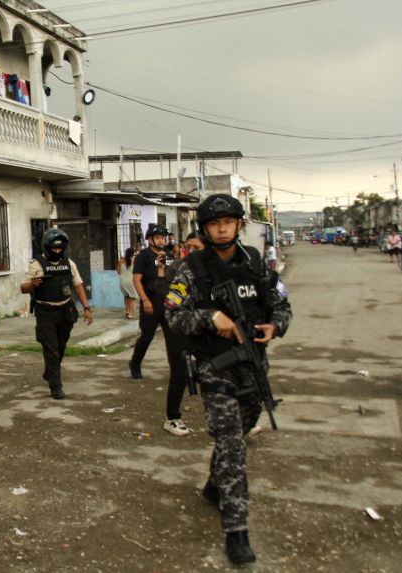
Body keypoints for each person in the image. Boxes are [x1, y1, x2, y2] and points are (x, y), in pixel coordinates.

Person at [164, 194, 291, 564]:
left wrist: (274, 326)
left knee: (243, 427)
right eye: (214, 223)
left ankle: (214, 486)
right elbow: (173, 314)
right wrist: (209, 318)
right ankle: (236, 529)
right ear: (204, 228)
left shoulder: (256, 264)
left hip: (252, 366)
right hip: (213, 368)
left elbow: (282, 303)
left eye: (228, 222)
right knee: (233, 443)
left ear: (238, 225)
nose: (221, 229)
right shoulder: (190, 268)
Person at [20, 228, 93, 400]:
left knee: (60, 346)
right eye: (54, 248)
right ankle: (56, 386)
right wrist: (33, 284)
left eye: (60, 249)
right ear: (47, 247)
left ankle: (50, 372)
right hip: (45, 312)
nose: (57, 251)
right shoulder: (36, 264)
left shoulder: (69, 263)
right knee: (51, 348)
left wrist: (87, 308)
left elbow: (78, 286)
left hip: (65, 310)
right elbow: (23, 287)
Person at [156, 231, 205, 436]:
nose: (191, 251)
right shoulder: (178, 267)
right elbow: (166, 298)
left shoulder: (213, 269)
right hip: (178, 326)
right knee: (180, 371)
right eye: (189, 247)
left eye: (197, 248)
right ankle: (172, 417)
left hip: (205, 326)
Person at [128, 223, 172, 379]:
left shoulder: (168, 255)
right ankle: (135, 363)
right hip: (151, 301)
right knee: (147, 336)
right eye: (158, 237)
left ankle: (175, 369)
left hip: (168, 302)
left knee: (172, 337)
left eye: (163, 237)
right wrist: (145, 300)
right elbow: (136, 280)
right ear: (150, 239)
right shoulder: (143, 256)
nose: (161, 241)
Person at [117, 247, 137, 319]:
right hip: (130, 281)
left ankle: (127, 311)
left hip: (122, 281)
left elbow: (118, 272)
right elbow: (135, 271)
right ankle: (130, 314)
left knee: (126, 296)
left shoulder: (121, 261)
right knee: (133, 297)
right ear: (132, 254)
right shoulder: (134, 260)